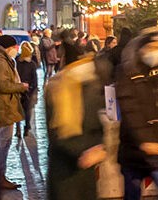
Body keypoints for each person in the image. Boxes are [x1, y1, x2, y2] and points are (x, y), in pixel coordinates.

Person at [115, 27, 158, 200]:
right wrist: (145, 140)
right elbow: (130, 111)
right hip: (134, 150)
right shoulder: (128, 73)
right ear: (143, 48)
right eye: (155, 46)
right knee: (132, 192)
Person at [45, 35, 106, 200]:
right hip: (65, 171)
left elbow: (98, 122)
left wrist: (100, 146)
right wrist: (84, 152)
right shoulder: (58, 89)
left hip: (85, 171)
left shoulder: (90, 87)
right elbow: (58, 133)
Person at [0, 34, 28, 197]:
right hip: (3, 106)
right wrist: (21, 86)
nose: (16, 50)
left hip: (1, 105)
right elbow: (3, 85)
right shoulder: (0, 61)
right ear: (8, 48)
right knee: (4, 142)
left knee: (0, 142)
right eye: (14, 48)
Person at [16, 41, 39, 139]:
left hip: (18, 89)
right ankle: (26, 127)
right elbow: (34, 78)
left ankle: (18, 129)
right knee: (28, 110)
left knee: (17, 110)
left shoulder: (17, 62)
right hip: (29, 89)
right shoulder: (32, 64)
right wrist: (32, 88)